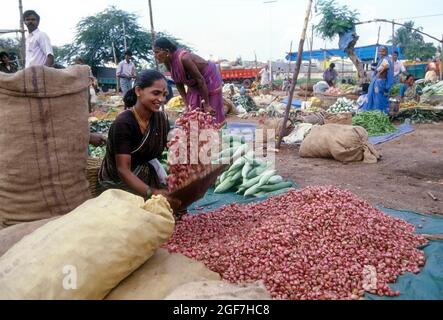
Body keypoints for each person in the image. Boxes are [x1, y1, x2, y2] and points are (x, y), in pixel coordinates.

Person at [98, 69, 180, 209]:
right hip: (119, 184)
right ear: (138, 91)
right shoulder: (124, 123)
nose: (161, 99)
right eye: (156, 93)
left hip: (145, 173)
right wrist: (152, 192)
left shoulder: (160, 119)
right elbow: (123, 170)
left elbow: (172, 146)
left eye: (164, 94)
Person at [154, 37, 225, 124]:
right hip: (194, 83)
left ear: (167, 52)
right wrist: (186, 103)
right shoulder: (167, 62)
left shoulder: (184, 59)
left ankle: (214, 131)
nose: (155, 56)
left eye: (157, 52)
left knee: (210, 113)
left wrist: (207, 104)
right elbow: (178, 82)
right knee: (192, 110)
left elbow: (200, 80)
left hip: (208, 78)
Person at [363, 46, 393, 114]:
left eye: (383, 51)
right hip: (377, 82)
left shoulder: (386, 60)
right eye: (380, 51)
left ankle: (380, 113)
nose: (381, 53)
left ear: (386, 52)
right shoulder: (381, 60)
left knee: (379, 99)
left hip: (381, 83)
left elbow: (388, 70)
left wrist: (387, 86)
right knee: (376, 98)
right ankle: (375, 112)